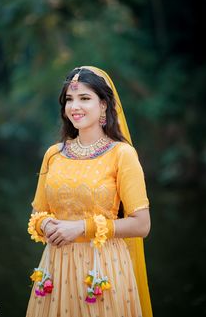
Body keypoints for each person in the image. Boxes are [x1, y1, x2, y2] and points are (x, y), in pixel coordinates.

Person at [26, 66, 153, 317]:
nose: (75, 106)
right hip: (56, 268)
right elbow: (37, 213)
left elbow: (142, 225)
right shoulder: (54, 154)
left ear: (104, 105)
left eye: (85, 98)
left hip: (103, 270)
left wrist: (82, 228)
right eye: (70, 99)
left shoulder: (121, 155)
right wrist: (47, 225)